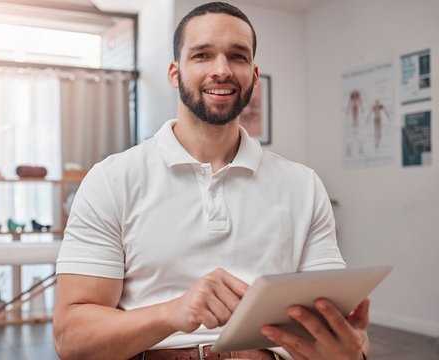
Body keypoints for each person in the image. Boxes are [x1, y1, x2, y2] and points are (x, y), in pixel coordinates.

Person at [53, 2, 370, 360]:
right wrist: (173, 312)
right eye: (202, 55)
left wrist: (349, 349)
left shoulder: (304, 185)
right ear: (175, 73)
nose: (221, 70)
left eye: (237, 56)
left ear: (252, 72)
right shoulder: (111, 180)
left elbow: (330, 318)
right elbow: (71, 338)